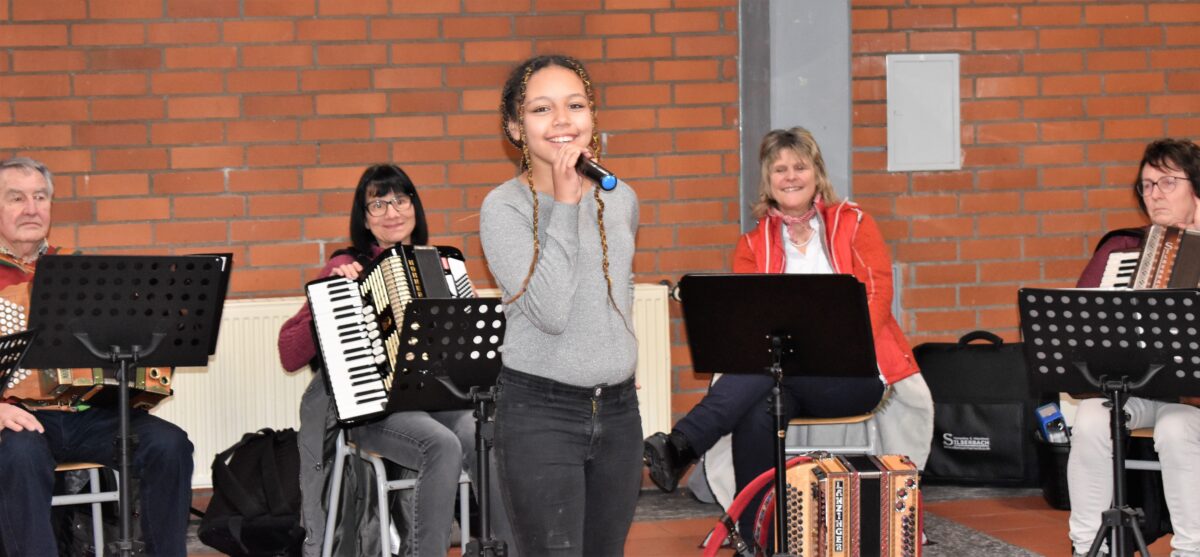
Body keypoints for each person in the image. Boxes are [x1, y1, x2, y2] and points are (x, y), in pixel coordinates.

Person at [643, 127, 934, 540]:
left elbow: (878, 297)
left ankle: (683, 443)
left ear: (817, 173)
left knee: (764, 377)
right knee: (761, 402)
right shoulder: (752, 244)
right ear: (768, 180)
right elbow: (750, 325)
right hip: (784, 375)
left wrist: (833, 345)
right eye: (780, 169)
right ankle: (758, 536)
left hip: (854, 374)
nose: (790, 176)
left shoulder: (855, 225)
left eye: (800, 166)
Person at [278, 164, 513, 557]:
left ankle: (506, 549)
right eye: (378, 204)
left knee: (484, 433)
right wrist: (332, 299)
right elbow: (290, 352)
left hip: (437, 400)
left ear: (415, 208)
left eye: (401, 200)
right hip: (375, 408)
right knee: (440, 445)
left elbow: (465, 347)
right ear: (364, 220)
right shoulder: (344, 267)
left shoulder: (441, 264)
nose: (392, 212)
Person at [479, 54, 641, 555]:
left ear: (593, 115)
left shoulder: (621, 198)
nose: (563, 121)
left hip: (617, 412)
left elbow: (620, 293)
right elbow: (548, 312)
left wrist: (620, 359)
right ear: (515, 128)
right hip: (540, 413)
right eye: (541, 109)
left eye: (575, 105)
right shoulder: (503, 207)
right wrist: (566, 205)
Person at [0, 157, 195, 555]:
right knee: (19, 454)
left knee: (170, 445)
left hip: (89, 414)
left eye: (40, 197)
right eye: (16, 198)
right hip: (19, 417)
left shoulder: (81, 268)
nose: (32, 208)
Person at [1070, 138, 1200, 557]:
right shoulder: (1122, 249)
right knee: (1091, 418)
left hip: (1194, 399)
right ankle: (1089, 547)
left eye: (1167, 182)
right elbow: (1080, 323)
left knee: (1177, 429)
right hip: (1138, 389)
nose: (1154, 194)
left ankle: (1191, 550)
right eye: (1146, 185)